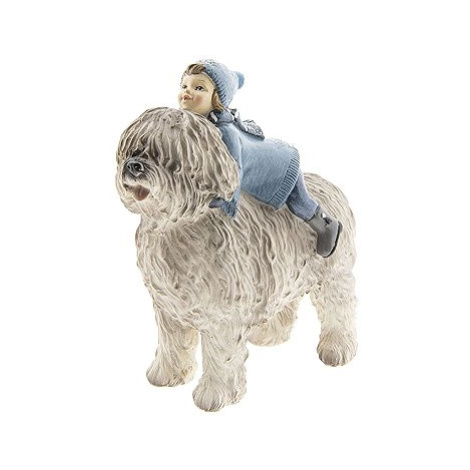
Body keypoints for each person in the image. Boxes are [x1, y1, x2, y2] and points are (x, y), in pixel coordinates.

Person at [177, 59, 342, 258]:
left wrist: (225, 201)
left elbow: (233, 172)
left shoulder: (225, 133)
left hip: (280, 165)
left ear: (217, 98)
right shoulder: (198, 128)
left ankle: (326, 224)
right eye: (184, 86)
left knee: (299, 203)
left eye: (199, 88)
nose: (187, 92)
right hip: (266, 156)